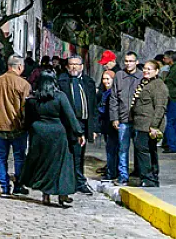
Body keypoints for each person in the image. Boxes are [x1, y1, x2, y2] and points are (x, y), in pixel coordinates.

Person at [16, 72, 83, 207]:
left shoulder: (33, 99)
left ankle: (45, 195)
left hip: (38, 133)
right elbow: (70, 116)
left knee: (42, 164)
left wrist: (25, 131)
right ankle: (62, 194)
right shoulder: (60, 97)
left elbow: (28, 119)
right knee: (62, 164)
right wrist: (79, 133)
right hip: (57, 133)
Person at [0, 55, 30, 197]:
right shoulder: (24, 85)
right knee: (19, 157)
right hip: (18, 127)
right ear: (19, 67)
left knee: (1, 157)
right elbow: (25, 108)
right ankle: (18, 185)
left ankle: (4, 187)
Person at [59, 56, 98, 195]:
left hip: (82, 123)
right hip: (66, 123)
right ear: (67, 66)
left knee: (79, 154)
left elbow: (93, 106)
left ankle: (79, 182)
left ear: (81, 66)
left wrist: (93, 128)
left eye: (77, 64)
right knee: (66, 154)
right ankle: (68, 181)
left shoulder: (88, 82)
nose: (74, 67)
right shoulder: (61, 81)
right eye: (71, 64)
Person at [130, 60, 169, 187]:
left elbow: (160, 107)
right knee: (147, 150)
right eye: (145, 69)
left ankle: (149, 177)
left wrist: (154, 126)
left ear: (156, 71)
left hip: (148, 125)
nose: (146, 71)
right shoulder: (145, 83)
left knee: (144, 150)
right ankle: (149, 176)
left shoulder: (158, 86)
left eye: (149, 69)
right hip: (140, 123)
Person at [107, 51, 143, 185]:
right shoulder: (119, 76)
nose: (128, 64)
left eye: (131, 61)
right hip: (123, 119)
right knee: (123, 149)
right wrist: (114, 118)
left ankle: (141, 174)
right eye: (126, 61)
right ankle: (123, 176)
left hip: (139, 120)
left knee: (140, 149)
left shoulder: (141, 76)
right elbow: (114, 98)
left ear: (136, 62)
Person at [97, 70, 119, 180]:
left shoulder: (113, 93)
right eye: (104, 79)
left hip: (112, 125)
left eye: (108, 79)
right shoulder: (104, 93)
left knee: (112, 150)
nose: (105, 82)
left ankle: (112, 173)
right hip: (106, 125)